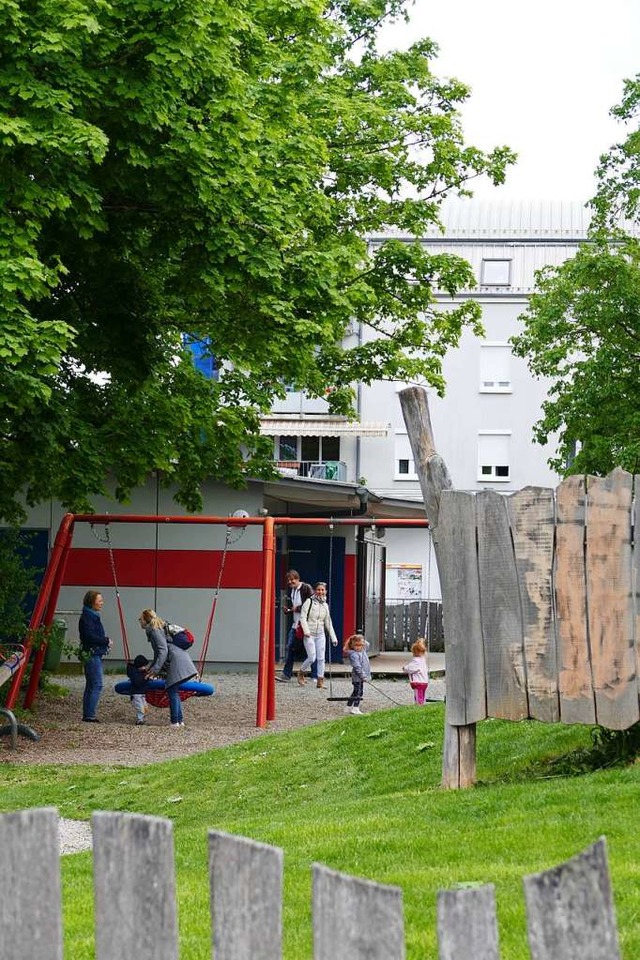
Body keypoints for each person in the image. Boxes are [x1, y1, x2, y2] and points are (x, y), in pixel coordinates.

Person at [138, 609, 197, 728]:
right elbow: (158, 654)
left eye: (141, 619)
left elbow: (163, 651)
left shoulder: (155, 630)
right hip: (180, 659)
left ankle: (175, 721)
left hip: (176, 661)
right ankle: (179, 721)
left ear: (146, 619)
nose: (140, 621)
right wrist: (150, 668)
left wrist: (154, 671)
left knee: (172, 691)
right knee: (173, 691)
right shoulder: (158, 629)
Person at [275, 570, 314, 683]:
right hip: (296, 624)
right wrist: (289, 610)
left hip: (305, 625)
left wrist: (295, 609)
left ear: (297, 578)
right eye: (288, 580)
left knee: (310, 650)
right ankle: (287, 674)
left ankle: (315, 675)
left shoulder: (306, 588)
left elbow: (312, 604)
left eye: (292, 579)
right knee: (292, 648)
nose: (290, 581)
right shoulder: (293, 590)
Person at [78, 590, 112, 722]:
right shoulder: (88, 617)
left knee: (91, 685)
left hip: (91, 652)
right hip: (92, 653)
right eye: (99, 601)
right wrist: (105, 640)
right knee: (97, 684)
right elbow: (90, 636)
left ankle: (88, 714)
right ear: (92, 602)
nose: (102, 603)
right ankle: (90, 715)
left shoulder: (90, 615)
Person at [297, 581, 338, 688]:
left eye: (323, 590)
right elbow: (302, 617)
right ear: (315, 590)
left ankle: (320, 680)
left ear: (326, 591)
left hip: (320, 634)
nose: (320, 592)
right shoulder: (309, 601)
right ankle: (301, 672)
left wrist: (333, 637)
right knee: (312, 657)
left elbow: (328, 622)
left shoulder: (325, 605)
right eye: (319, 589)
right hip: (309, 634)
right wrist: (306, 631)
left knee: (321, 658)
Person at [343, 633, 371, 715]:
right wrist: (363, 676)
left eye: (360, 645)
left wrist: (360, 638)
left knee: (355, 692)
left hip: (361, 677)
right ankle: (355, 708)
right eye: (356, 645)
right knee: (359, 692)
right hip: (358, 677)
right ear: (352, 646)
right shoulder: (354, 655)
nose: (358, 647)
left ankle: (348, 706)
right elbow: (357, 667)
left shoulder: (363, 650)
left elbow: (368, 644)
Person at [402, 638, 429, 704]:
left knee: (417, 697)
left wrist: (405, 668)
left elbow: (411, 668)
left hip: (418, 682)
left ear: (415, 652)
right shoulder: (423, 660)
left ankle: (419, 707)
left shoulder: (416, 661)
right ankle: (422, 704)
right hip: (424, 682)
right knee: (422, 695)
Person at [126, 654, 150, 725]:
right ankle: (139, 720)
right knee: (140, 707)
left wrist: (147, 677)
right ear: (139, 666)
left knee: (145, 707)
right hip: (136, 694)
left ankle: (142, 718)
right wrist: (145, 679)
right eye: (143, 666)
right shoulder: (134, 673)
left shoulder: (141, 672)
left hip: (142, 693)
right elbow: (137, 683)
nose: (144, 668)